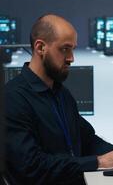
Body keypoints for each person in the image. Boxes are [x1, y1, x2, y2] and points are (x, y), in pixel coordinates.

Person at [5, 14, 113, 185]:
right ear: (40, 48)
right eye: (65, 49)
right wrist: (98, 162)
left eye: (73, 49)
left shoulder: (61, 94)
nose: (71, 58)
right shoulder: (12, 98)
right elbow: (31, 167)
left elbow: (87, 139)